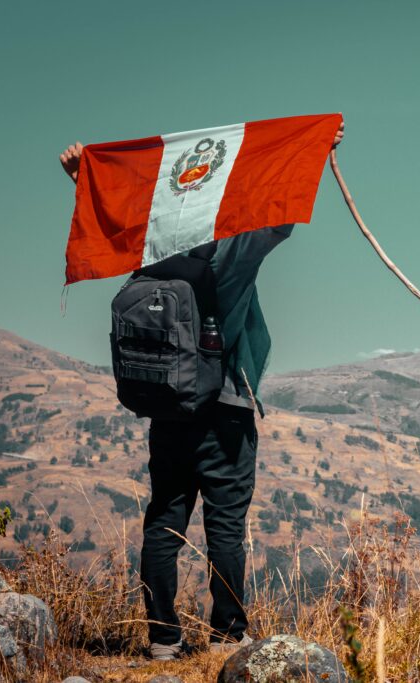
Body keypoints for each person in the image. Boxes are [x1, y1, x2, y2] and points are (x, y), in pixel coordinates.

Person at [58, 121, 344, 659]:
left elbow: (114, 213)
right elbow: (280, 218)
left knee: (164, 522)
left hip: (167, 411)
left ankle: (163, 640)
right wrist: (313, 148)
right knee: (226, 529)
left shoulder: (149, 253)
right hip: (225, 411)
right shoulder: (229, 255)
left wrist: (81, 176)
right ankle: (226, 636)